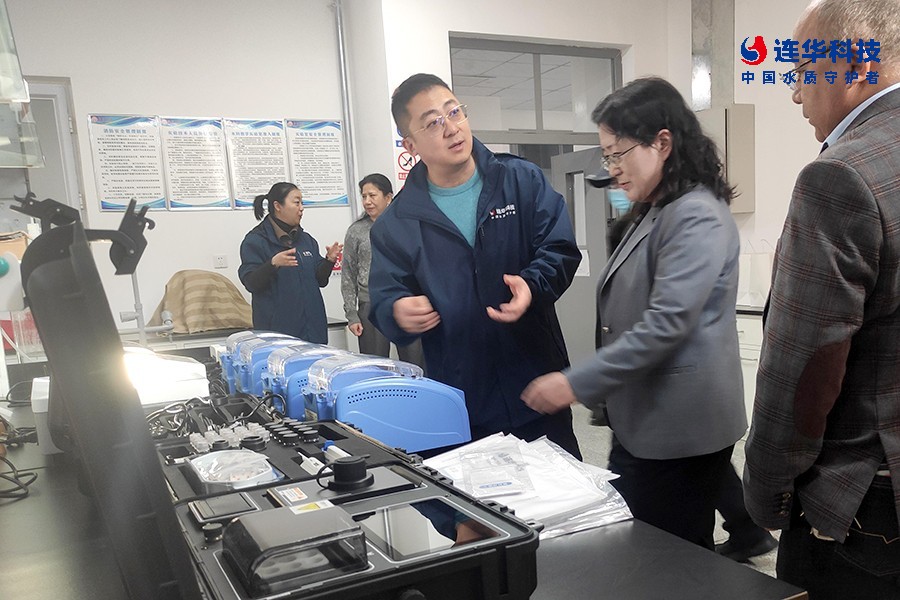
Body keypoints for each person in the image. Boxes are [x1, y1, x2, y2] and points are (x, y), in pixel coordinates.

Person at [521, 77, 747, 550]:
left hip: (679, 427)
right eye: (607, 157)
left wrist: (575, 382)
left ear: (662, 143)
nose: (613, 169)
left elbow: (665, 325)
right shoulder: (654, 209)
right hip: (646, 419)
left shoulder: (695, 215)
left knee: (670, 555)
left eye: (618, 154)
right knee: (647, 547)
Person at [743, 0, 900, 596]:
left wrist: (767, 496)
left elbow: (804, 365)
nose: (794, 93)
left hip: (862, 509)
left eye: (804, 71)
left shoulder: (841, 176)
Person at [368, 73, 583, 459]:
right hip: (463, 401)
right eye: (433, 122)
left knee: (563, 490)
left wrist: (532, 285)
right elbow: (383, 297)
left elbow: (560, 248)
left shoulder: (520, 180)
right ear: (410, 144)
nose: (451, 128)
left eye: (454, 112)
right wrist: (397, 310)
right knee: (478, 496)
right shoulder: (397, 223)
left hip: (537, 388)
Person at [238, 182, 342, 344]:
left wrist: (329, 261)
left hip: (313, 332)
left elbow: (320, 280)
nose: (301, 208)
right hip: (277, 336)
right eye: (296, 202)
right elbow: (251, 283)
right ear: (277, 206)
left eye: (302, 203)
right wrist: (273, 264)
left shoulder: (306, 240)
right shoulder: (256, 241)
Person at [341, 174, 425, 367]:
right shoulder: (356, 231)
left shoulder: (406, 226)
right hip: (370, 305)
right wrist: (351, 314)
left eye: (372, 195)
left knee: (415, 364)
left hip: (406, 300)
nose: (367, 201)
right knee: (375, 365)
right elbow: (348, 275)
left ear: (388, 197)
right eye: (364, 196)